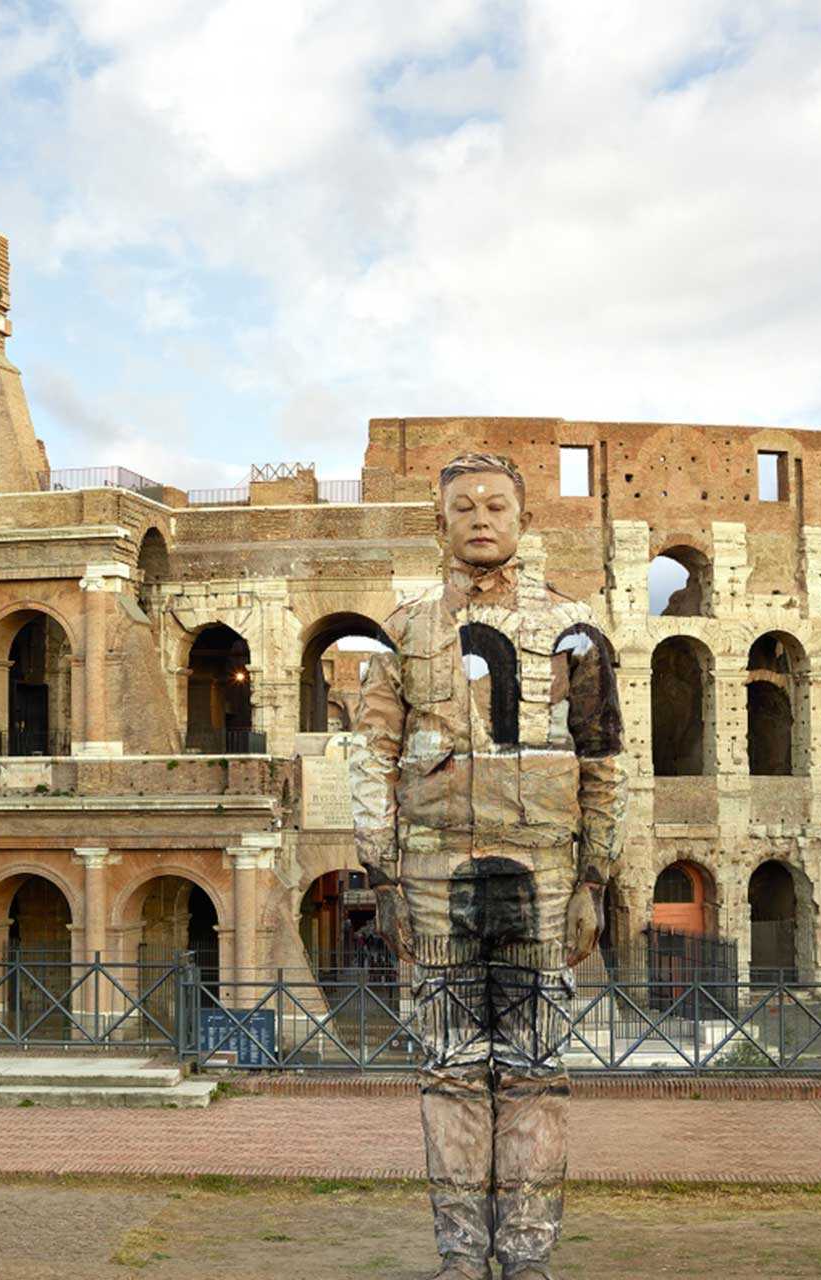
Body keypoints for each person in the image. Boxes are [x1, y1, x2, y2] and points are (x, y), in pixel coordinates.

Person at [350, 452, 627, 1280]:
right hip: (434, 881)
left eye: (496, 506)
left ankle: (530, 1257)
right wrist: (383, 879)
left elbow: (604, 759)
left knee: (538, 1073)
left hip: (542, 878)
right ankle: (463, 1258)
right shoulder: (401, 632)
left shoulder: (575, 629)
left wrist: (593, 881)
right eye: (463, 506)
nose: (480, 518)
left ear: (522, 522)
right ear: (439, 523)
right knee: (450, 1074)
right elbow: (371, 757)